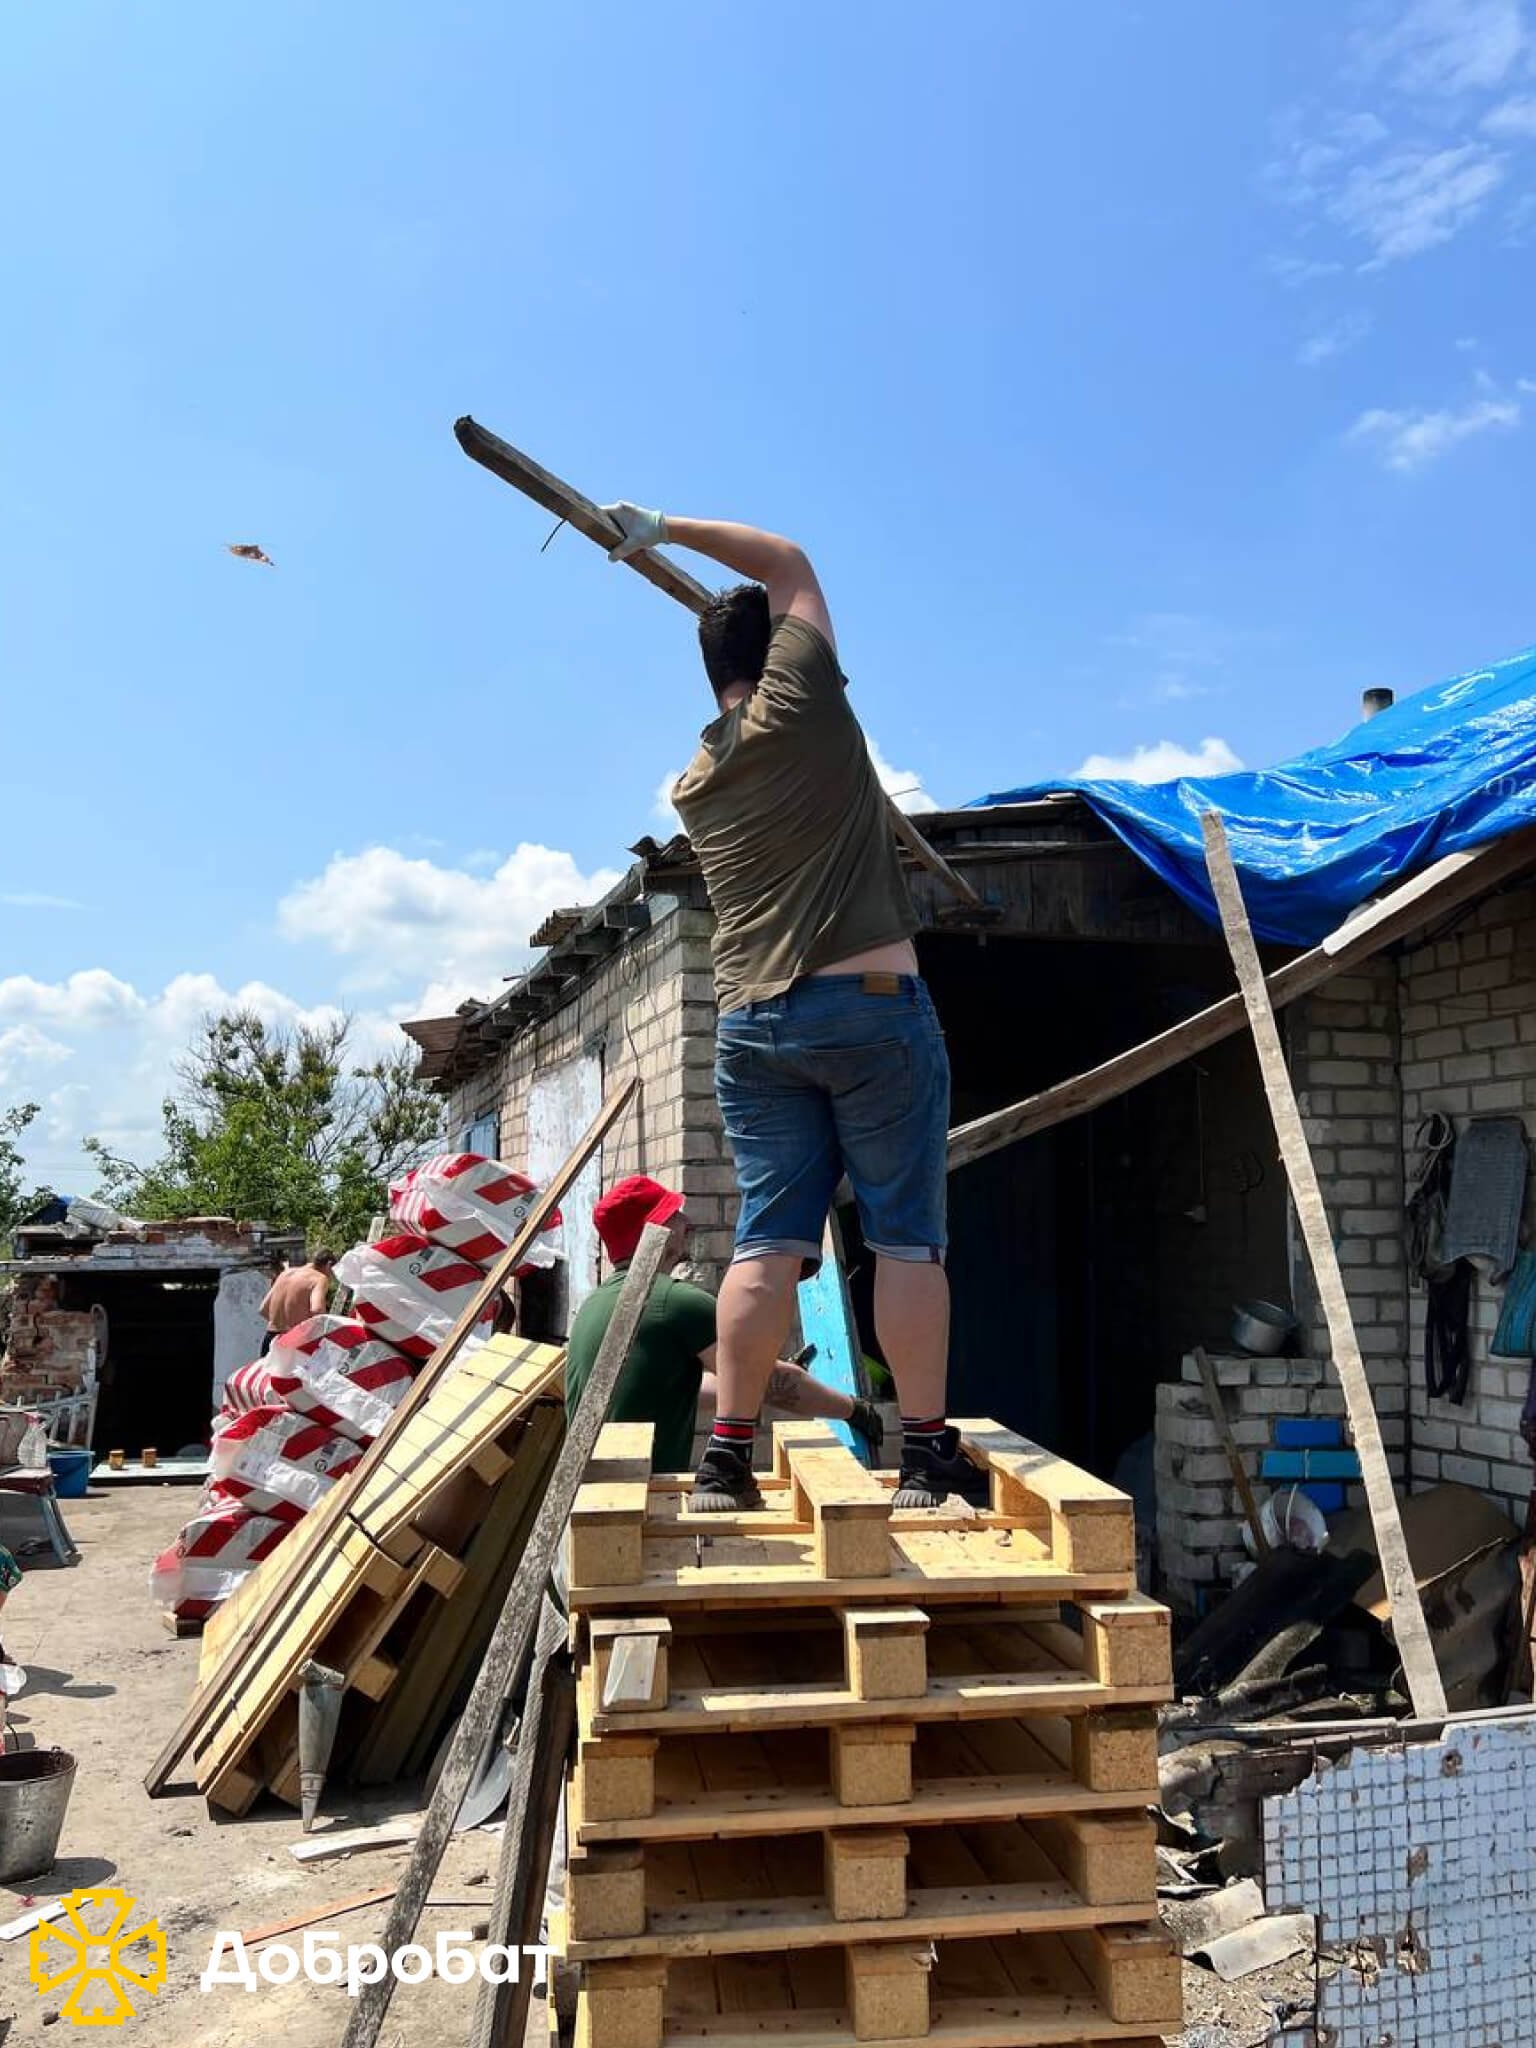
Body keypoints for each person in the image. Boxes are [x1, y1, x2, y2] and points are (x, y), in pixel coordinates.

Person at [600, 504, 987, 1513]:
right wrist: (658, 528)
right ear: (781, 654)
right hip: (872, 1013)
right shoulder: (803, 707)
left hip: (753, 1028)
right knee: (906, 1240)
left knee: (767, 1242)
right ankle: (927, 1453)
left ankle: (726, 1458)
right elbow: (790, 562)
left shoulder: (698, 780)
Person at [563, 1176, 883, 1467]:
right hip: (639, 1495)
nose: (686, 1223)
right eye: (673, 1215)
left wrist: (751, 1378)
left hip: (591, 1492)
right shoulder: (675, 1302)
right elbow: (768, 1382)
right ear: (655, 1232)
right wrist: (852, 1409)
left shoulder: (594, 1305)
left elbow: (665, 1389)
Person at [258, 1249, 336, 1353]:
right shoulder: (320, 1278)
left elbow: (263, 1309)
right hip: (295, 1341)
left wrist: (282, 1321)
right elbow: (317, 1310)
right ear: (329, 1265)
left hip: (270, 1339)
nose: (331, 1278)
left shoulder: (285, 1274)